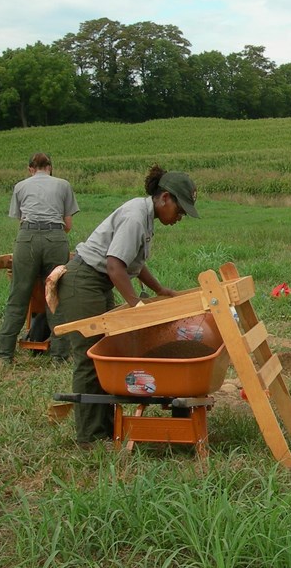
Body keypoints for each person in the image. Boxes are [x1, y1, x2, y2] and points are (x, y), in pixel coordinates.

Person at [56, 165, 199, 448]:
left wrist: (158, 290)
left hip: (97, 283)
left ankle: (107, 427)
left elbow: (134, 262)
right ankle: (90, 438)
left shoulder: (145, 216)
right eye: (180, 210)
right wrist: (136, 306)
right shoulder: (136, 217)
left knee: (106, 353)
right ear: (165, 198)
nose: (180, 217)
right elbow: (114, 265)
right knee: (90, 356)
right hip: (84, 282)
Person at [0, 152, 79, 365]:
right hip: (55, 238)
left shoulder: (20, 186)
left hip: (27, 239)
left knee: (18, 295)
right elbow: (68, 225)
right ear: (50, 167)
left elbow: (20, 221)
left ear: (30, 169)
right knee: (55, 293)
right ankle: (60, 355)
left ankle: (4, 354)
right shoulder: (63, 185)